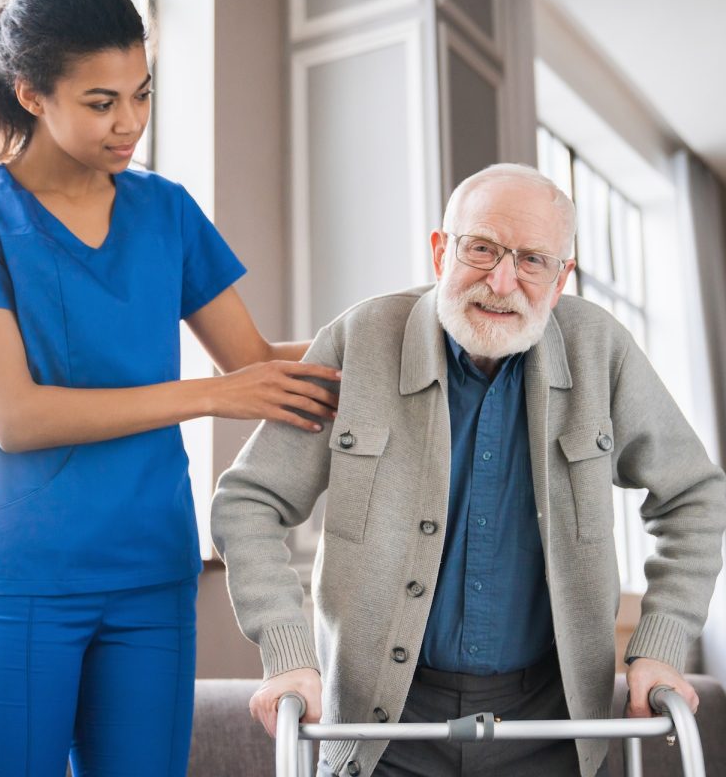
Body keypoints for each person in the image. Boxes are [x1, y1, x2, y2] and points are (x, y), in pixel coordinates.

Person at [0, 0, 340, 775]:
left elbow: (253, 362)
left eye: (143, 94)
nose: (130, 123)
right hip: (20, 581)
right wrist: (212, 397)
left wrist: (404, 339)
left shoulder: (167, 211)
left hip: (152, 577)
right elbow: (17, 415)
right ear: (32, 95)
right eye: (101, 102)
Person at [211, 163, 726, 777]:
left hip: (553, 724)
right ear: (440, 251)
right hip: (380, 728)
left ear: (561, 279)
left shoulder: (601, 349)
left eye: (534, 260)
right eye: (481, 249)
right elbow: (249, 500)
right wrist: (287, 650)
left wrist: (661, 642)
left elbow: (694, 494)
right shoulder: (361, 337)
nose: (502, 281)